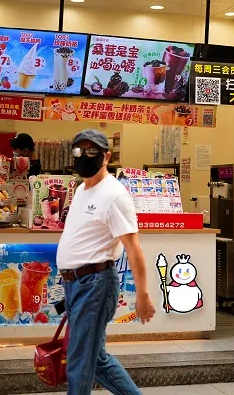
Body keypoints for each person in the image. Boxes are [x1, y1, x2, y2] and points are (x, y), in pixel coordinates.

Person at [57, 129, 155, 395]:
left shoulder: (114, 196)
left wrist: (143, 295)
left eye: (91, 151)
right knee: (94, 358)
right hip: (76, 284)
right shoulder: (81, 189)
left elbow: (133, 248)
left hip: (95, 284)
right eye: (79, 151)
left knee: (79, 362)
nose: (84, 156)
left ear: (106, 157)